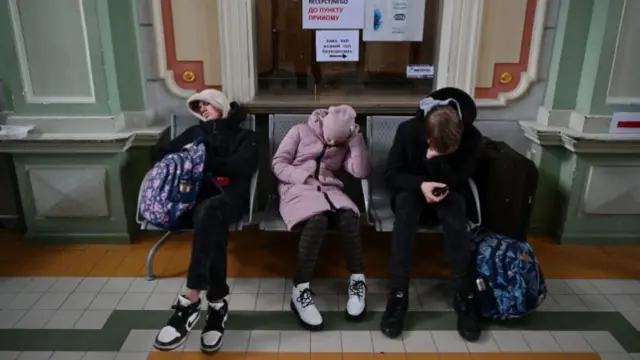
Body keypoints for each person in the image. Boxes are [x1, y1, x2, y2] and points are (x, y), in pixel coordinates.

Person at [151, 89, 258, 353]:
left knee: (212, 213)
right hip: (192, 199)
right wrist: (181, 162)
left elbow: (242, 168)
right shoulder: (195, 134)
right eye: (199, 107)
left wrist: (204, 161)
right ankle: (217, 305)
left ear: (221, 105)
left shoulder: (245, 136)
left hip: (230, 197)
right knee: (211, 222)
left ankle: (190, 298)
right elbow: (162, 154)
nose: (203, 109)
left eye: (207, 104)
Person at [380, 87, 483, 341]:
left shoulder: (473, 138)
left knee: (455, 215)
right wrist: (421, 185)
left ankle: (464, 295)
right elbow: (392, 175)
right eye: (431, 145)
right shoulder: (408, 130)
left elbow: (459, 179)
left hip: (449, 188)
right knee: (405, 213)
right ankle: (398, 296)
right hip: (412, 189)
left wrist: (437, 161)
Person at [272, 105, 371, 330]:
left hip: (329, 189)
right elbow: (278, 164)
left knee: (348, 216)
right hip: (296, 188)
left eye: (338, 141)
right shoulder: (299, 131)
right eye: (329, 138)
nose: (332, 144)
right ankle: (300, 290)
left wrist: (355, 141)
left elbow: (361, 171)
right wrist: (305, 178)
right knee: (318, 220)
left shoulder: (346, 141)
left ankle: (358, 281)